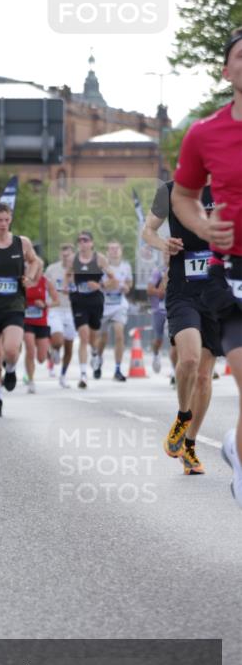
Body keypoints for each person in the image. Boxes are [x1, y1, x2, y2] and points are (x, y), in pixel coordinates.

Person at [171, 27, 242, 503]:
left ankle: (234, 444)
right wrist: (201, 224)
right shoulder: (205, 133)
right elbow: (182, 196)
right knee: (208, 365)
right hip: (232, 275)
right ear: (226, 70)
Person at [143, 179, 220, 474]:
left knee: (204, 377)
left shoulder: (230, 187)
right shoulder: (171, 190)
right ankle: (182, 415)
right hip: (183, 290)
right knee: (189, 358)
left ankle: (189, 444)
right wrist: (165, 243)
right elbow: (147, 230)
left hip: (217, 291)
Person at [0, 201, 39, 417]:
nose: (2, 224)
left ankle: (10, 370)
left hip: (14, 304)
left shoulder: (22, 243)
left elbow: (35, 262)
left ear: (10, 219)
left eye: (6, 219)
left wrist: (30, 276)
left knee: (11, 349)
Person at [63, 231, 118, 389]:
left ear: (91, 243)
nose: (82, 243)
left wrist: (100, 285)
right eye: (79, 240)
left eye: (85, 240)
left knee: (94, 337)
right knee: (84, 336)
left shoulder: (100, 259)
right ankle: (83, 375)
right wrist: (67, 286)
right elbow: (67, 275)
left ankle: (95, 352)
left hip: (95, 300)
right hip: (78, 300)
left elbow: (113, 280)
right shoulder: (73, 259)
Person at [95, 240, 133, 382]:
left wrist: (126, 288)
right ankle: (98, 361)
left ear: (121, 251)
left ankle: (117, 369)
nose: (114, 251)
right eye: (111, 249)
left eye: (117, 248)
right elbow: (99, 285)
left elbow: (129, 283)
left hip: (119, 305)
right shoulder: (102, 267)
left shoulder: (126, 266)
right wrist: (109, 285)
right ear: (107, 252)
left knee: (119, 335)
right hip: (103, 305)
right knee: (102, 339)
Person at [23, 265, 59, 393]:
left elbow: (57, 301)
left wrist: (45, 304)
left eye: (39, 270)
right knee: (30, 349)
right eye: (33, 269)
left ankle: (49, 353)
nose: (36, 272)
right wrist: (24, 304)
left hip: (42, 322)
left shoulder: (45, 282)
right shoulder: (23, 282)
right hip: (26, 322)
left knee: (41, 358)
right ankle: (31, 381)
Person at [46, 243, 76, 388]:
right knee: (58, 340)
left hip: (72, 310)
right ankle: (54, 349)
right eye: (63, 254)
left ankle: (63, 376)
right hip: (56, 309)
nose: (66, 257)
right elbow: (43, 286)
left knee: (69, 347)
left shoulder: (80, 270)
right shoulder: (52, 269)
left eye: (68, 254)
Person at [146, 263, 175, 379]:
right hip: (159, 310)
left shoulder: (181, 265)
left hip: (174, 310)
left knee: (175, 340)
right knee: (158, 339)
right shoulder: (158, 271)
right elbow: (150, 290)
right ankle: (156, 354)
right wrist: (163, 288)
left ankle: (174, 371)